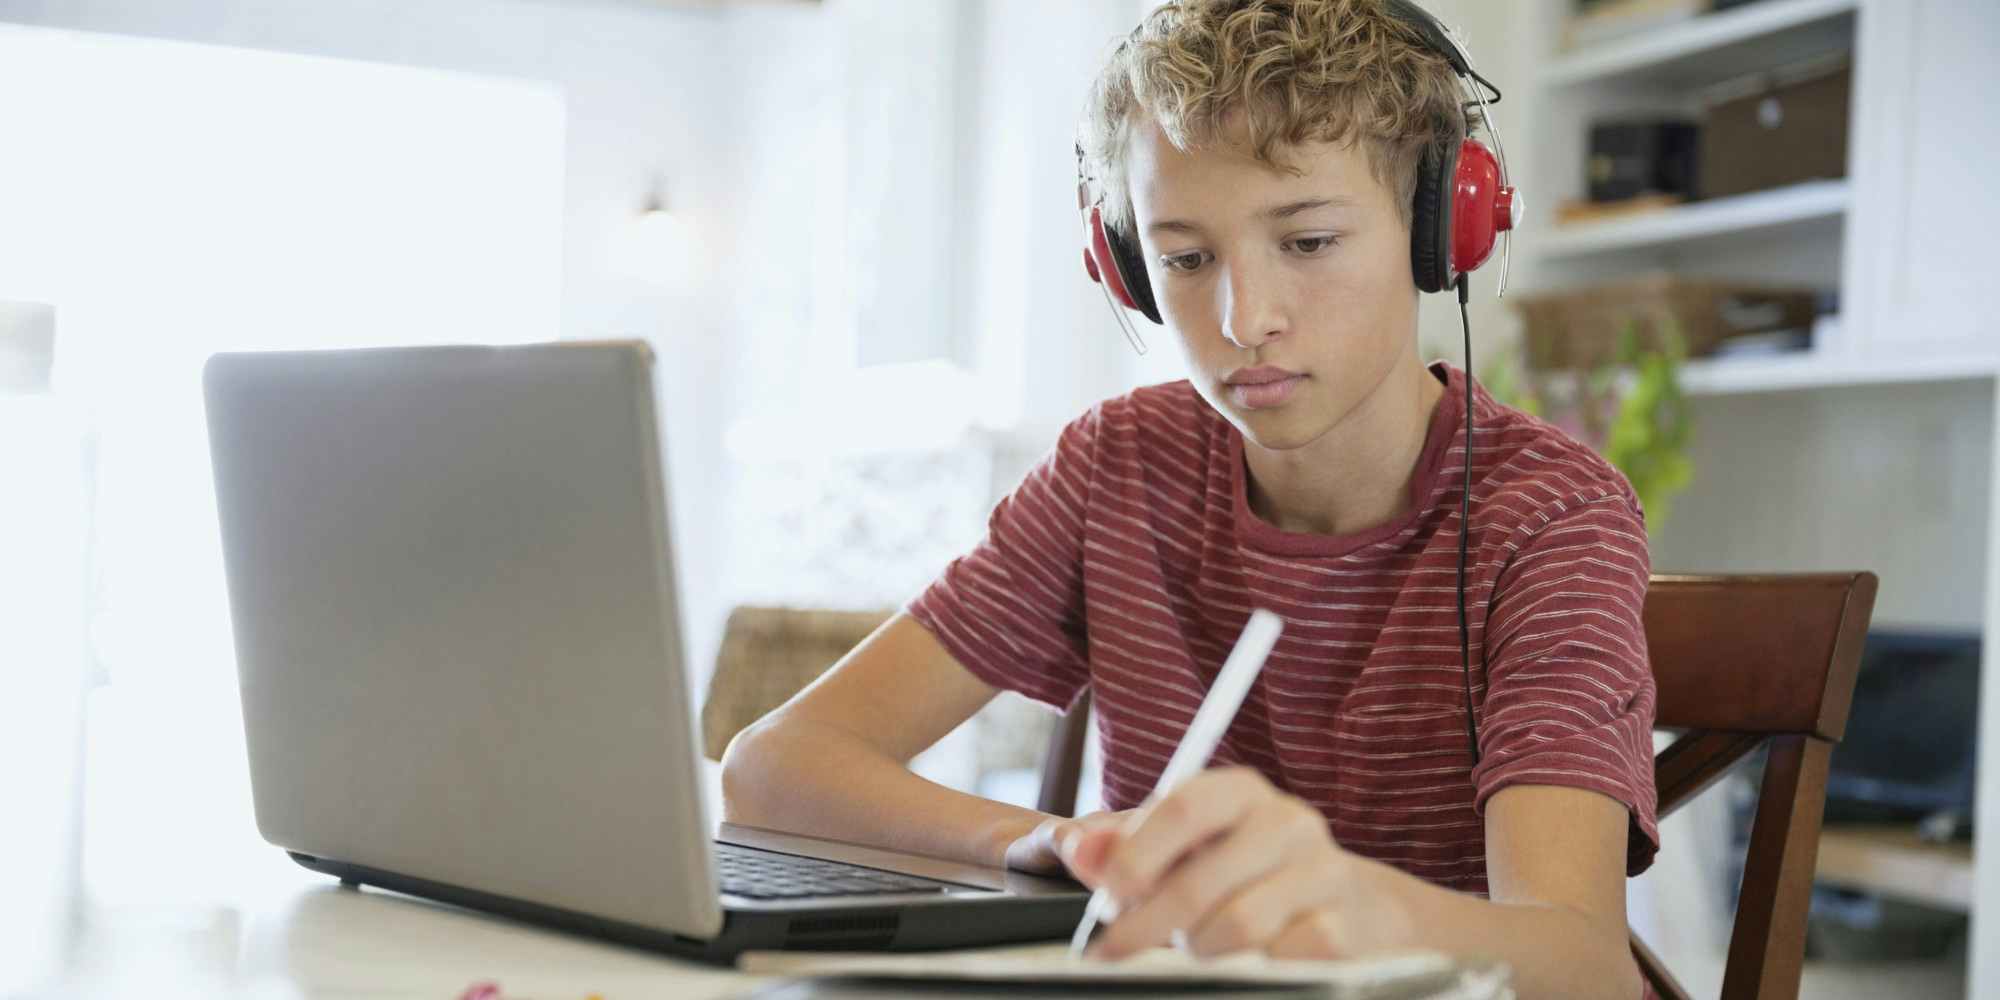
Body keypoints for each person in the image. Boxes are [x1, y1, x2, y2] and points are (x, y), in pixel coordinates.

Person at [723, 2, 1657, 996]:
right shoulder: (1117, 467)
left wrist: (1353, 905)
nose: (1242, 318)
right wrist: (1053, 842)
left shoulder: (1550, 515)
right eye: (1184, 257)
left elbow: (1584, 966)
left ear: (1443, 227)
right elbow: (771, 768)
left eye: (1306, 241)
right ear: (1124, 263)